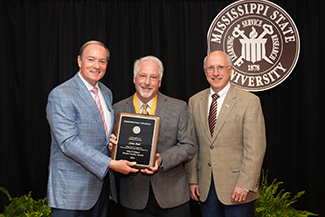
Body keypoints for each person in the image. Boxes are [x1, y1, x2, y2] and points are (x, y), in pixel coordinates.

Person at [46, 40, 138, 217]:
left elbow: (103, 134)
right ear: (79, 61)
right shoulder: (61, 94)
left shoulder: (106, 92)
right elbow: (68, 143)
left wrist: (113, 144)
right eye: (91, 59)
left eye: (102, 61)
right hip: (71, 191)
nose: (97, 66)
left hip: (101, 188)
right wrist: (111, 164)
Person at [109, 55, 195, 217]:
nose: (147, 82)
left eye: (153, 77)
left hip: (173, 196)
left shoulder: (178, 107)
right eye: (143, 76)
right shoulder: (117, 109)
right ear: (134, 78)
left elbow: (188, 146)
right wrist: (112, 148)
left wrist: (160, 159)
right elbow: (109, 150)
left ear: (160, 82)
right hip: (134, 198)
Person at [185, 50, 266, 217]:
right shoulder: (194, 101)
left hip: (238, 187)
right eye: (211, 68)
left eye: (221, 67)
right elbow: (193, 144)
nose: (216, 73)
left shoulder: (249, 101)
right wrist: (193, 179)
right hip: (206, 187)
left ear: (231, 70)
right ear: (204, 71)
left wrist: (245, 184)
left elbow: (255, 148)